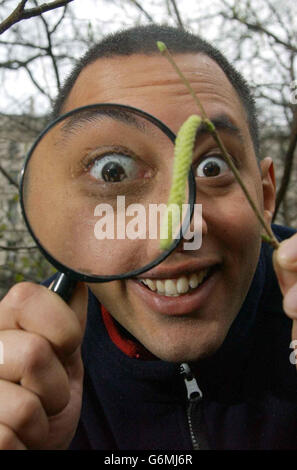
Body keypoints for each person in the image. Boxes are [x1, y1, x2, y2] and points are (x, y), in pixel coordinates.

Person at [0, 24, 296, 450]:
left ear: (265, 195)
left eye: (212, 167)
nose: (174, 231)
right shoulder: (29, 365)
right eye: (113, 171)